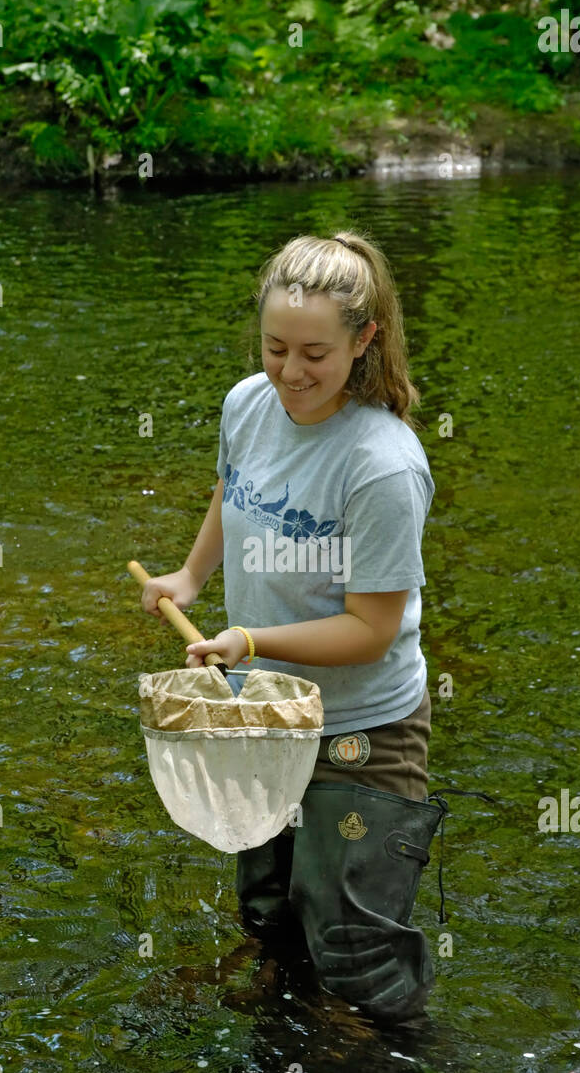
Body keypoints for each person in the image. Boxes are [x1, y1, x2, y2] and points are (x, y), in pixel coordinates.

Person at [140, 230, 445, 1025]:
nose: (290, 372)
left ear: (364, 340)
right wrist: (191, 575)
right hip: (264, 719)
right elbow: (232, 490)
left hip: (359, 732)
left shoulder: (380, 464)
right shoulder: (248, 402)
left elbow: (370, 630)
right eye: (276, 347)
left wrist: (248, 641)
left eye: (315, 352)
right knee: (271, 913)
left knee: (355, 945)